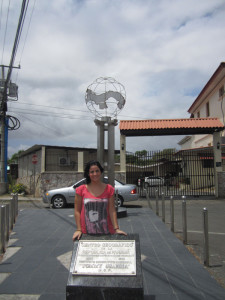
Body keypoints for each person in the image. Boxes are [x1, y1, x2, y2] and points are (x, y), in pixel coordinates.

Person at [72, 160, 127, 241]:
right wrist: (78, 229)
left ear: (101, 172)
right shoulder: (80, 190)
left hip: (107, 231)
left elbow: (112, 210)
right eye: (92, 172)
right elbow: (77, 211)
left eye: (97, 171)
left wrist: (116, 228)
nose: (95, 174)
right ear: (88, 173)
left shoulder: (109, 189)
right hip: (86, 232)